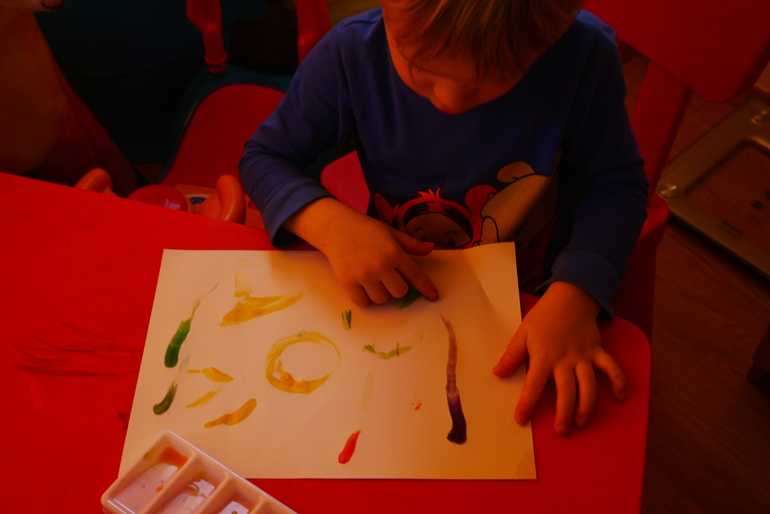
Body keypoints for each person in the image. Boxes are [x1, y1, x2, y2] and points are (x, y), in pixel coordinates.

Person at [239, 0, 648, 436]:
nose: (449, 100)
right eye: (419, 67)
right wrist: (328, 223)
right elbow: (264, 157)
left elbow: (616, 186)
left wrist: (577, 293)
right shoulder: (350, 53)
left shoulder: (583, 56)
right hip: (396, 292)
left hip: (535, 300)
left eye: (490, 79)